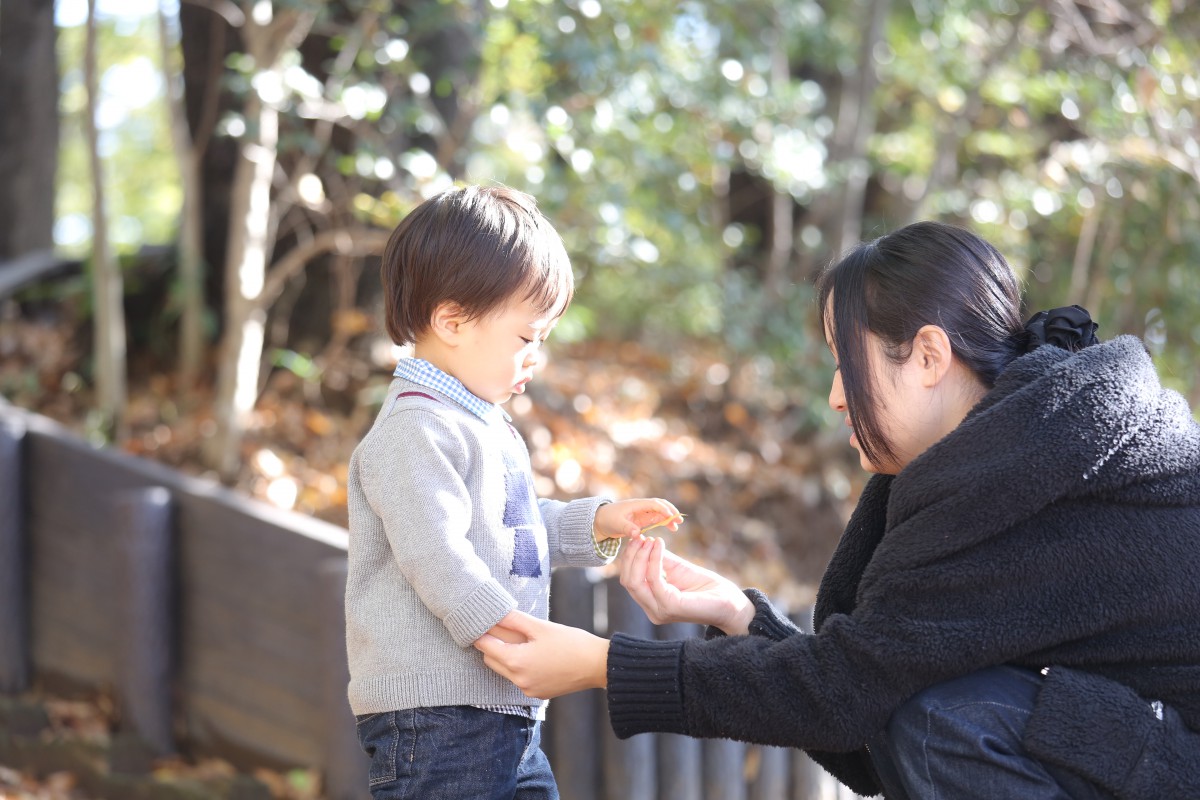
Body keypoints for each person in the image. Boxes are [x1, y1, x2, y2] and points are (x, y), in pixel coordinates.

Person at [475, 220, 1200, 799]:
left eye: (845, 361)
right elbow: (870, 709)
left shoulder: (1033, 464)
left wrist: (605, 663)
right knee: (932, 713)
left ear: (926, 356)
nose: (833, 394)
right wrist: (740, 617)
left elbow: (853, 696)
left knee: (948, 718)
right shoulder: (1015, 449)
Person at [345, 184, 682, 800]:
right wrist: (505, 634)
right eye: (526, 338)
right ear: (451, 321)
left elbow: (508, 530)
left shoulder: (477, 422)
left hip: (499, 707)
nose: (535, 358)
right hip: (437, 711)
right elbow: (436, 554)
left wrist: (597, 522)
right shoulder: (416, 428)